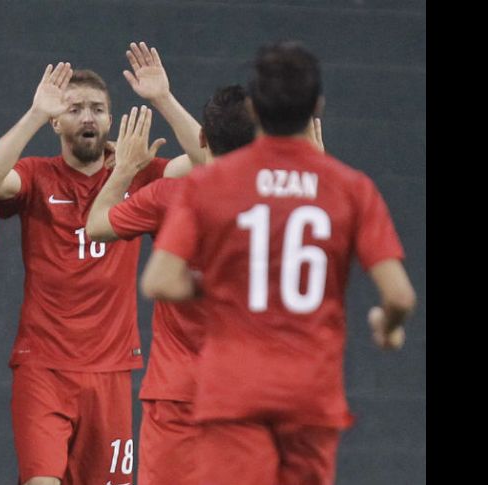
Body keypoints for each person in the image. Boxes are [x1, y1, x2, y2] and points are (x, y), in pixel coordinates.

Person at [140, 40, 416, 485]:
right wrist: (388, 324)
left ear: (253, 108)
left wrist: (228, 288)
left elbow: (159, 281)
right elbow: (400, 294)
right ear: (317, 106)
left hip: (234, 386)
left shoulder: (211, 185)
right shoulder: (350, 187)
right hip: (311, 389)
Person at [0, 42, 201, 485]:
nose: (88, 117)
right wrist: (37, 112)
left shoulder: (140, 173)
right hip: (43, 365)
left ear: (111, 120)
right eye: (75, 109)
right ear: (58, 120)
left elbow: (209, 161)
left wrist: (162, 98)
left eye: (98, 108)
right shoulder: (38, 175)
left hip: (111, 369)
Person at [84, 84, 255, 485]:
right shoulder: (278, 208)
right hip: (248, 390)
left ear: (201, 138)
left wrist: (124, 168)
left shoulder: (169, 196)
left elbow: (96, 225)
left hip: (176, 392)